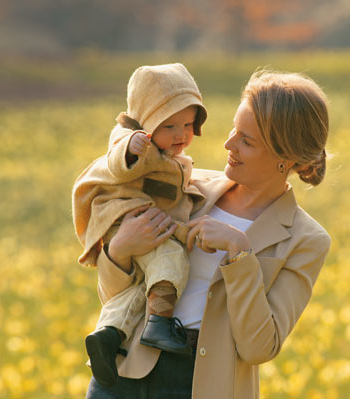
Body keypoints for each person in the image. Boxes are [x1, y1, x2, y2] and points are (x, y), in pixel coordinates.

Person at [80, 69, 332, 399]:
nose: (229, 144)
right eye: (234, 131)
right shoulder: (184, 187)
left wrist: (240, 253)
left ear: (285, 158)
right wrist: (120, 251)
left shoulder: (306, 239)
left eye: (247, 141)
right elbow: (115, 298)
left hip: (200, 387)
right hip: (122, 372)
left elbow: (259, 346)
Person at [72, 63, 208, 387]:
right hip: (127, 216)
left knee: (137, 290)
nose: (181, 135)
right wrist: (131, 146)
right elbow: (117, 158)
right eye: (170, 125)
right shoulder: (133, 141)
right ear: (146, 124)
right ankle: (160, 322)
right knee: (171, 259)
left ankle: (108, 335)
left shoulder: (172, 156)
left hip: (134, 220)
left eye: (188, 124)